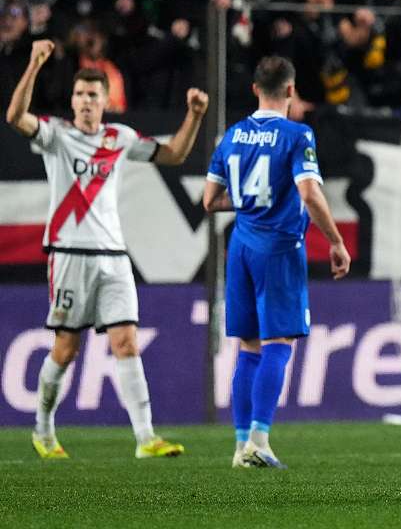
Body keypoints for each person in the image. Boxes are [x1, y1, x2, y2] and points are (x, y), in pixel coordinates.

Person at [5, 39, 209, 459]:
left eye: (92, 95)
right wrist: (34, 64)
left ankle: (145, 438)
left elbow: (173, 154)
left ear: (105, 102)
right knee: (66, 349)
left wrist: (194, 115)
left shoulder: (119, 137)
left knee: (126, 342)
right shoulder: (57, 136)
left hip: (114, 256)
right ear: (72, 100)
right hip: (69, 254)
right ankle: (43, 430)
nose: (84, 102)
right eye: (79, 94)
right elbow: (14, 117)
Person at [202, 56, 351, 469]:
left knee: (248, 346)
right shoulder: (296, 133)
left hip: (241, 247)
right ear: (290, 90)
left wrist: (252, 200)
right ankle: (260, 441)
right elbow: (309, 193)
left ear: (254, 89)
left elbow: (210, 201)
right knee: (279, 343)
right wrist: (336, 242)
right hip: (280, 247)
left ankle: (239, 447)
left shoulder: (230, 136)